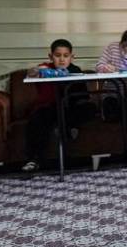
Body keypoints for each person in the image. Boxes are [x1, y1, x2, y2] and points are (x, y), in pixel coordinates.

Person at [22, 39, 95, 172]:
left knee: (89, 108)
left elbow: (82, 97)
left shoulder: (75, 70)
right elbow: (31, 73)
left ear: (72, 57)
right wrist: (37, 70)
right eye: (57, 55)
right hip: (50, 107)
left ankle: (68, 127)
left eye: (66, 56)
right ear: (51, 56)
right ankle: (34, 159)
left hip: (70, 108)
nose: (62, 60)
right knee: (37, 118)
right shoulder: (46, 69)